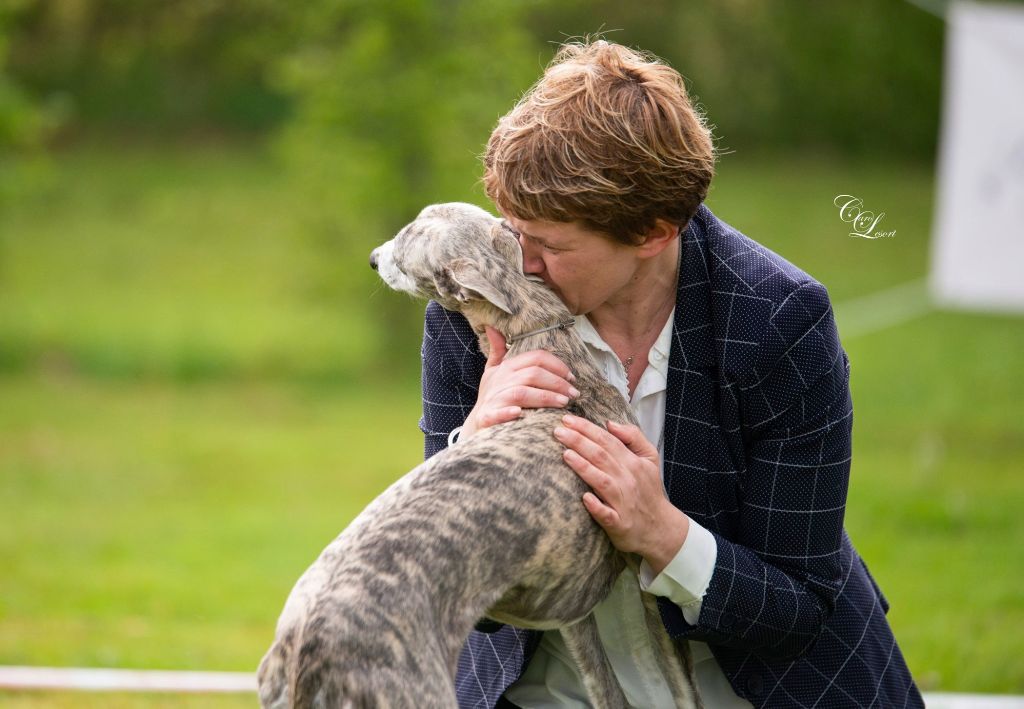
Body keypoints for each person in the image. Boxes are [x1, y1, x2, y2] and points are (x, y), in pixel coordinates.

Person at [420, 40, 923, 708]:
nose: (522, 265)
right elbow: (450, 599)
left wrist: (663, 533)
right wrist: (471, 458)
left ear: (655, 231)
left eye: (554, 246)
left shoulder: (779, 321)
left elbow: (798, 609)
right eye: (515, 232)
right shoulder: (471, 310)